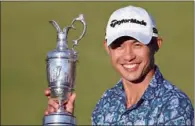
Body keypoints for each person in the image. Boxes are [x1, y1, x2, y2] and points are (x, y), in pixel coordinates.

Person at [44, 5, 194, 125]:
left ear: (156, 45)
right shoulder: (106, 102)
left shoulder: (175, 105)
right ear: (107, 48)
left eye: (137, 44)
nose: (128, 56)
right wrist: (63, 119)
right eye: (118, 46)